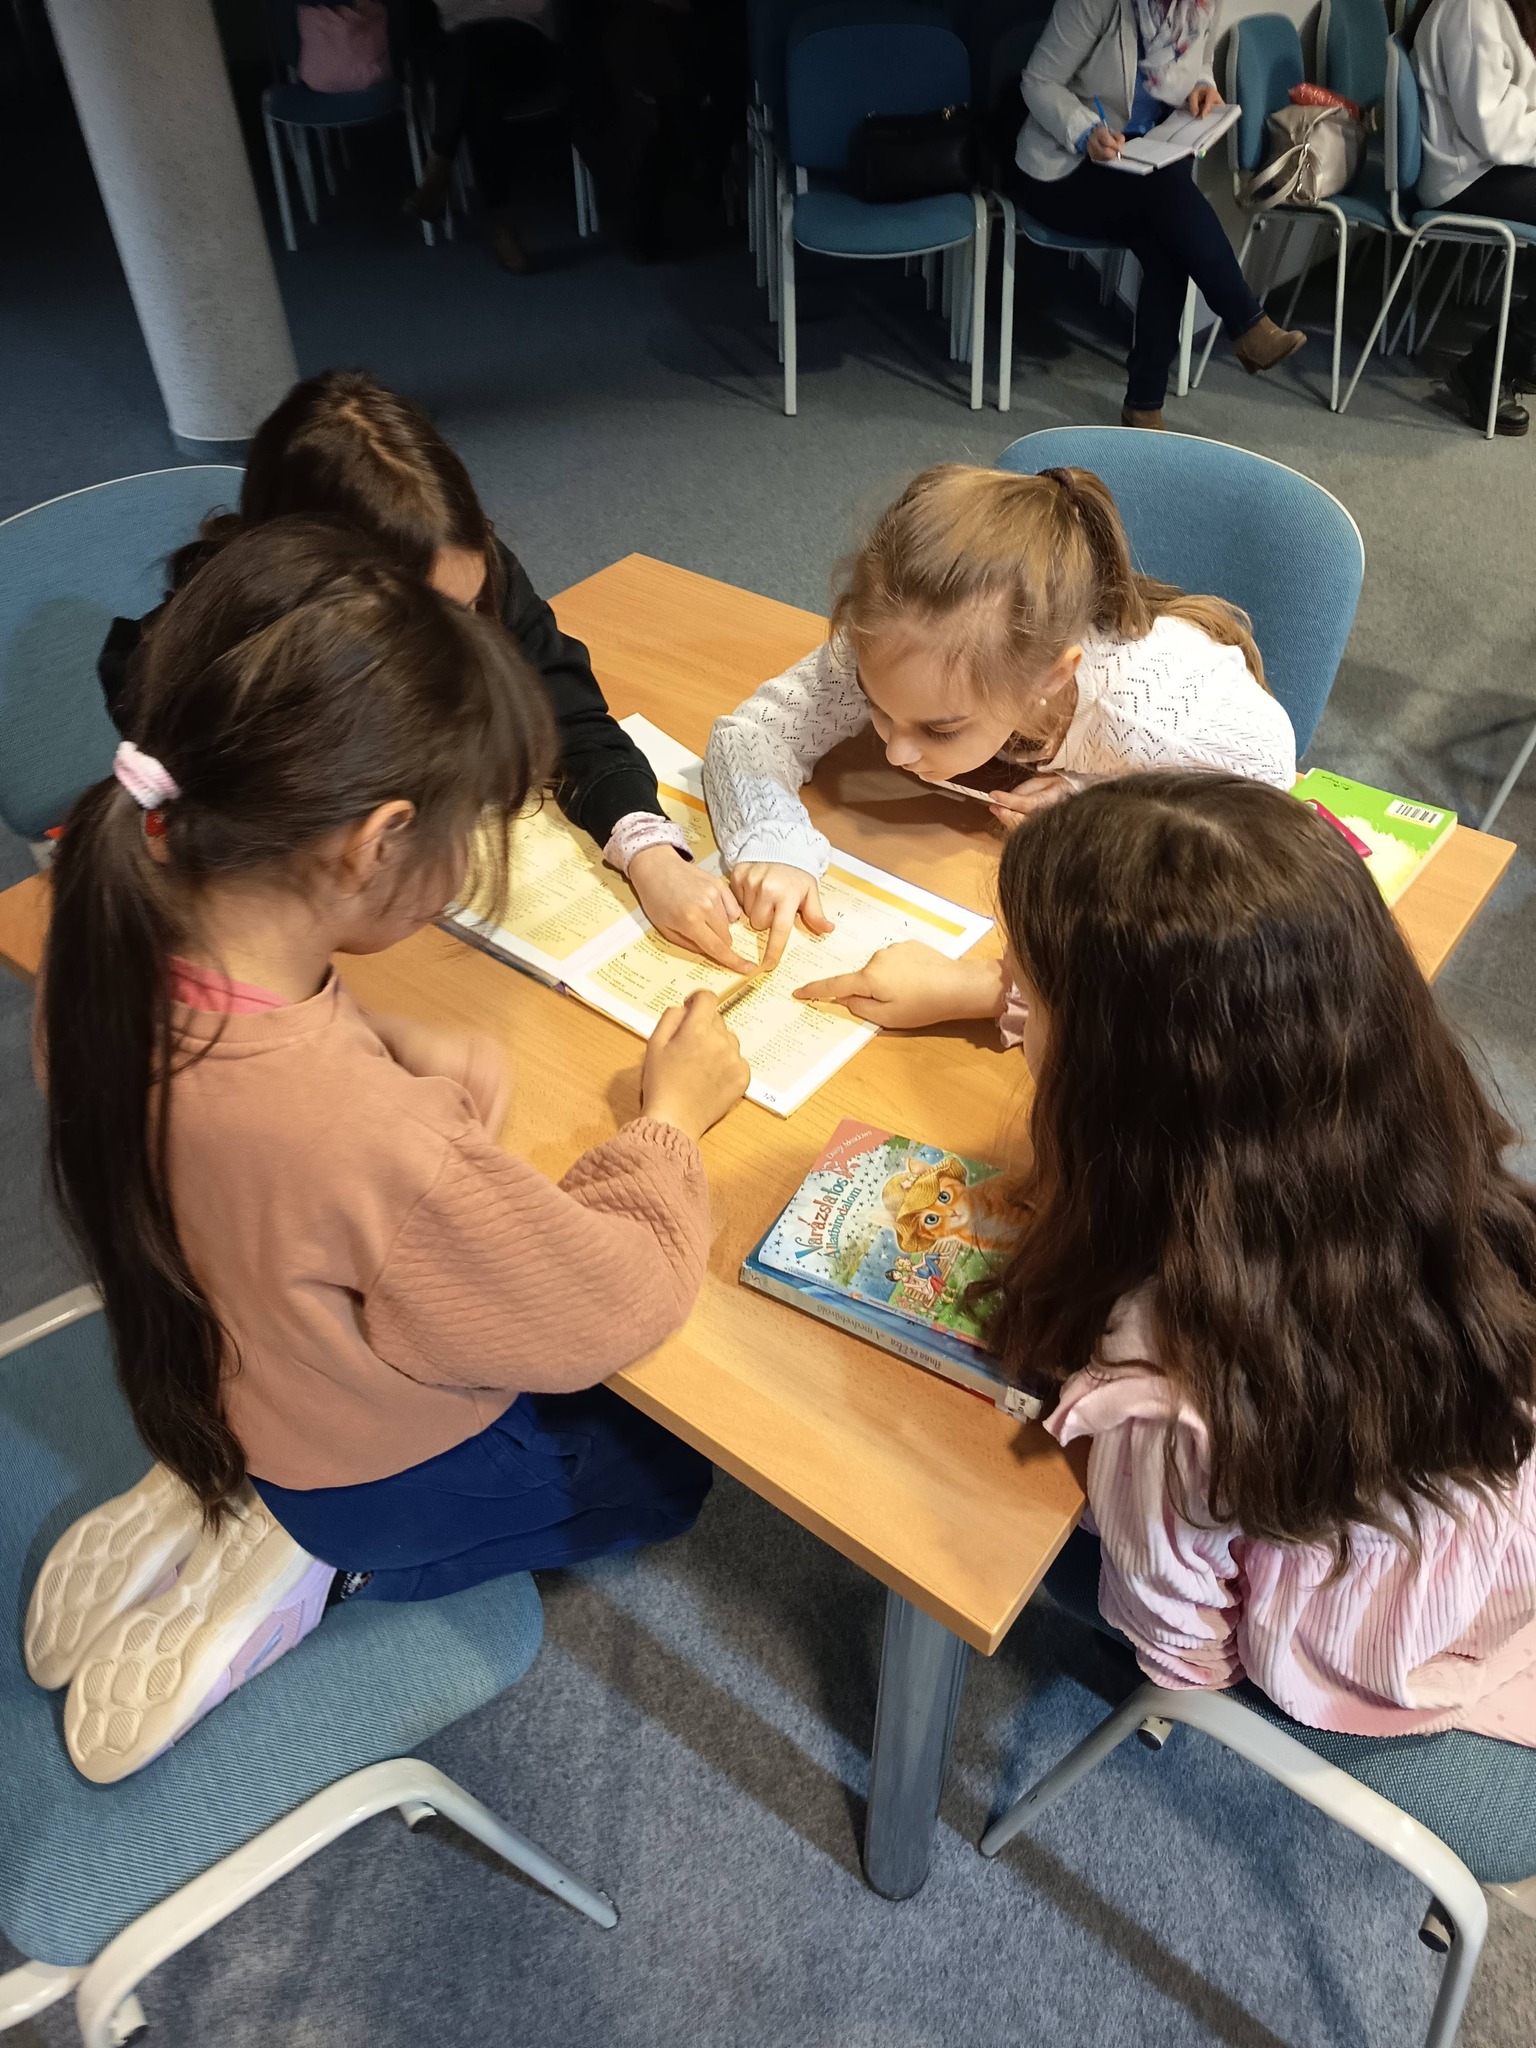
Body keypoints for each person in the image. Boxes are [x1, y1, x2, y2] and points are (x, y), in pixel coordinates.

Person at [31, 522, 749, 1782]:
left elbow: (274, 1084)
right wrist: (670, 1120)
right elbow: (612, 1298)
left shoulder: (106, 928)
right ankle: (326, 1561)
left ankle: (234, 1487)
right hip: (362, 1466)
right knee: (665, 1467)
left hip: (220, 1356)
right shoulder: (368, 1138)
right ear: (375, 842)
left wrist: (379, 1037)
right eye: (467, 836)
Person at [800, 774, 1536, 1741]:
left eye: (1028, 988)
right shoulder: (1392, 1124)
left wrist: (1176, 1676)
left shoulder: (1167, 1361)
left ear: (1121, 1077)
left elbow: (1178, 1629)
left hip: (1371, 1640)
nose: (1008, 985)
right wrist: (974, 994)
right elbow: (1182, 1017)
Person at [98, 370, 745, 969]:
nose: (466, 638)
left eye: (469, 606)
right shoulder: (207, 680)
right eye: (435, 618)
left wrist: (648, 850)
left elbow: (569, 716)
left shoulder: (466, 567)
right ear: (317, 593)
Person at [702, 463, 1295, 970]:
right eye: (875, 705)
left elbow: (1265, 800)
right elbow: (753, 735)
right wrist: (773, 843)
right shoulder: (897, 637)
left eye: (940, 728)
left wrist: (1094, 799)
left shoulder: (1154, 717)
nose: (896, 753)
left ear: (1051, 678)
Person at [1011, 0, 1306, 428]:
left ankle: (1146, 401)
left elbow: (1199, 63)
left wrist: (1202, 85)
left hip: (1145, 163)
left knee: (1167, 233)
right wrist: (1084, 131)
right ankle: (1242, 326)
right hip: (1065, 167)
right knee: (1168, 205)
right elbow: (1038, 81)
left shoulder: (1200, 5)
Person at [1412, 0, 1536, 435]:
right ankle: (1486, 366)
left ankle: (1523, 353)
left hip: (1486, 165)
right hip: (1462, 176)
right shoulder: (1472, 8)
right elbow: (1493, 132)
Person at [403, 0, 563, 272]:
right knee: (477, 80)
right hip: (460, 47)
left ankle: (438, 169)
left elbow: (538, 7)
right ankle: (500, 224)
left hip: (524, 42)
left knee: (473, 63)